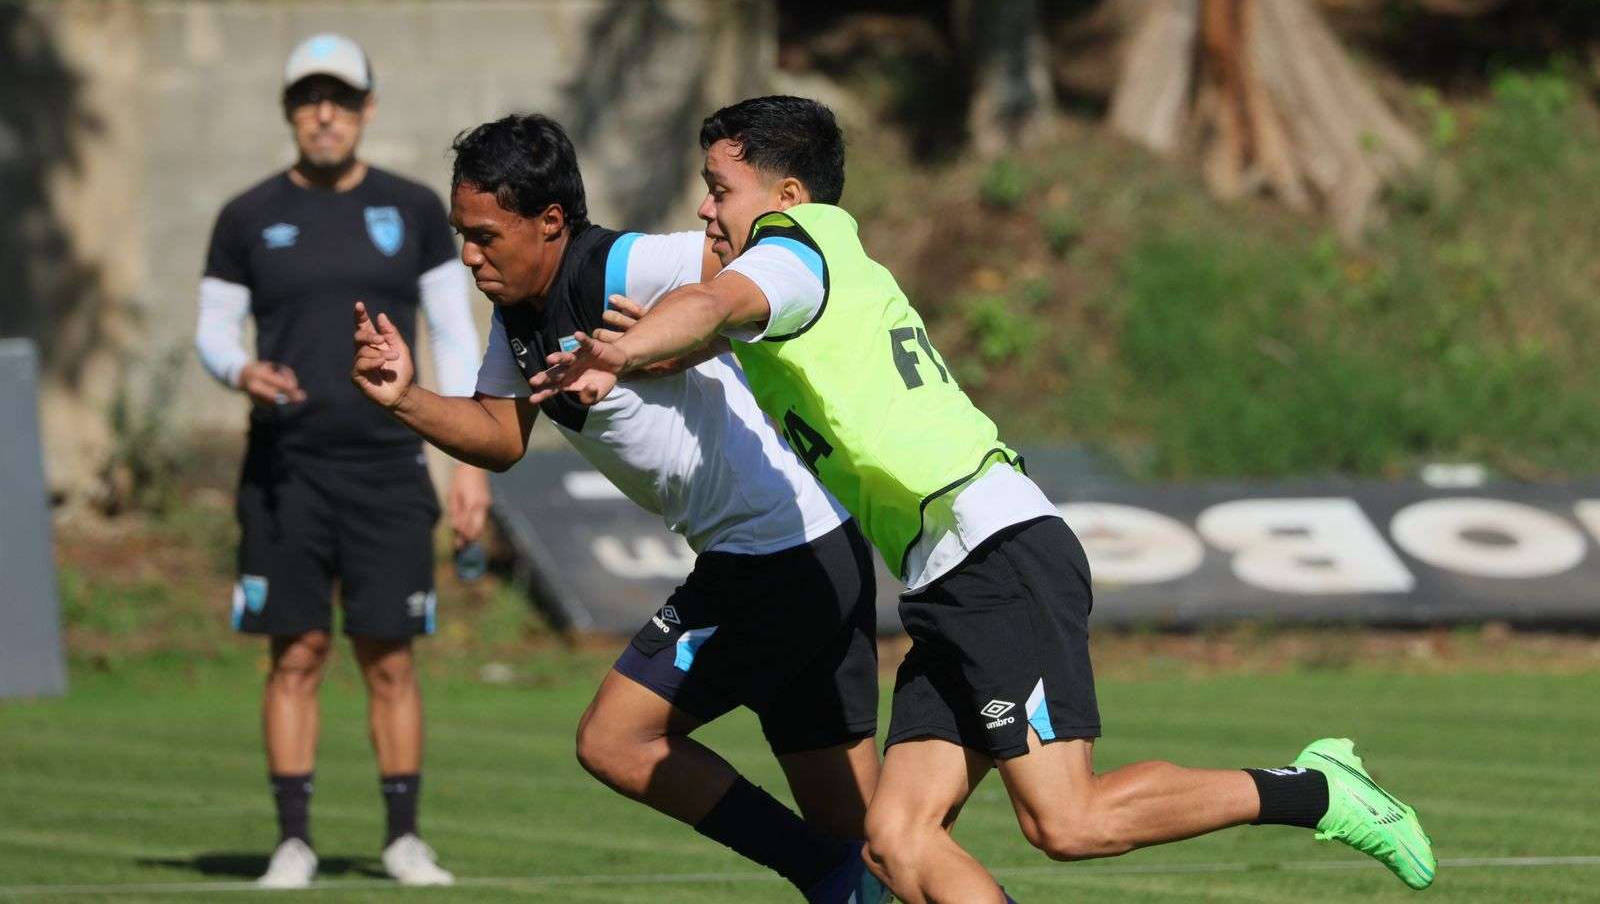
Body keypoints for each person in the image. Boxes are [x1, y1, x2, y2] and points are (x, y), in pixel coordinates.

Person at [531, 95, 1438, 903]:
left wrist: (625, 350)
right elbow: (707, 327)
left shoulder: (794, 255)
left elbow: (710, 305)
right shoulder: (801, 282)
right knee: (896, 840)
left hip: (994, 554)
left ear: (788, 196)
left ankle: (1317, 789)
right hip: (947, 577)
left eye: (718, 187)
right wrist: (630, 353)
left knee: (1068, 821)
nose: (703, 207)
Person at [348, 113, 888, 903]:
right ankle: (846, 874)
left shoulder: (622, 265)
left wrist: (671, 343)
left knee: (615, 739)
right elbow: (500, 436)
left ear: (551, 222)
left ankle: (824, 873)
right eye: (463, 233)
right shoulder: (520, 314)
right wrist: (405, 398)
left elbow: (745, 258)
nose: (469, 255)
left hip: (776, 554)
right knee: (875, 851)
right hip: (811, 550)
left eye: (486, 235)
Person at [195, 32, 490, 889]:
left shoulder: (415, 210)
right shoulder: (245, 216)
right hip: (286, 471)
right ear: (291, 112)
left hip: (390, 467)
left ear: (366, 109)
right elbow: (215, 328)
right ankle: (293, 840)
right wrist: (237, 367)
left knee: (389, 656)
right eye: (309, 98)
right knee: (295, 654)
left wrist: (469, 458)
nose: (324, 113)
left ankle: (402, 838)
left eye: (341, 98)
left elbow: (451, 332)